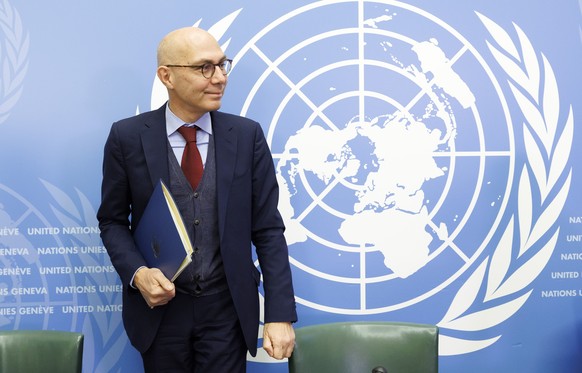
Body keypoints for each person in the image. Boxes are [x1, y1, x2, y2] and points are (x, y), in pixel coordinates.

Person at [97, 27, 297, 372]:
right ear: (167, 76)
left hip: (227, 310)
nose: (219, 77)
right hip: (159, 313)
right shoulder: (127, 137)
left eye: (222, 65)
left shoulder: (247, 136)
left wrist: (279, 314)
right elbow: (112, 221)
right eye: (205, 67)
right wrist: (138, 273)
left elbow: (267, 229)